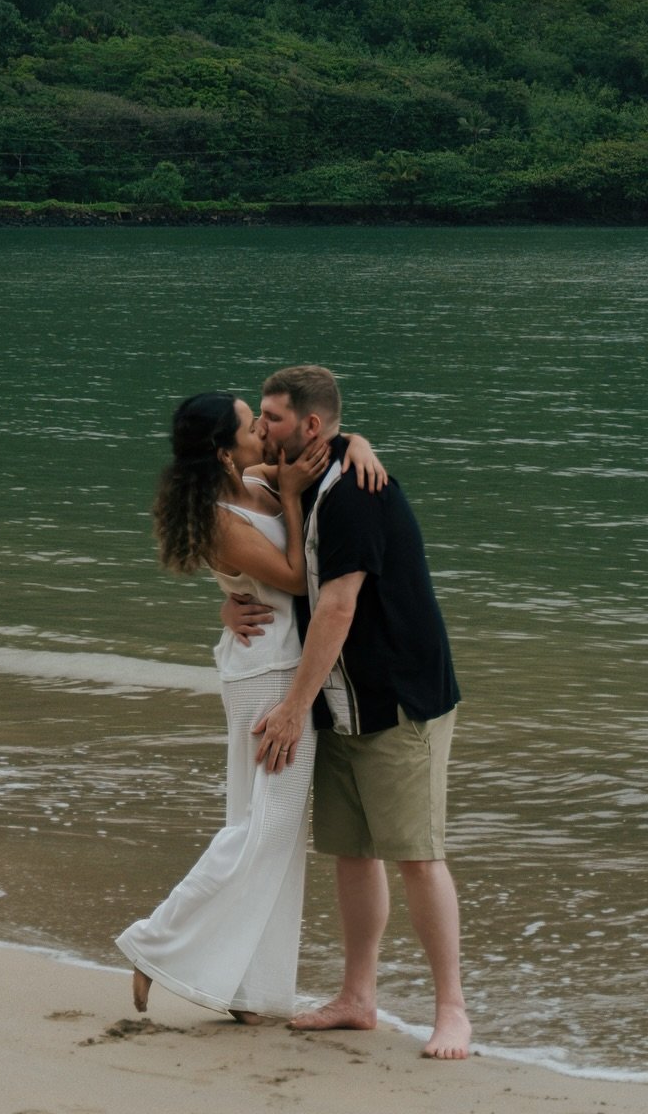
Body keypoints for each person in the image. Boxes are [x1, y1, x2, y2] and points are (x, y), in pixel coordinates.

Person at [115, 391, 385, 1022]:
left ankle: (249, 991)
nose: (262, 430)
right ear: (223, 450)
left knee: (271, 832)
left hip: (272, 664)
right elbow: (296, 577)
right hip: (270, 677)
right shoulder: (220, 513)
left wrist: (361, 446)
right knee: (266, 829)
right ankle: (155, 943)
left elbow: (336, 446)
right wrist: (291, 499)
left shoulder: (257, 476)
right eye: (250, 424)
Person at [228, 364, 470, 1060]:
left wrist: (289, 710)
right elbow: (245, 548)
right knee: (351, 851)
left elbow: (337, 606)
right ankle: (358, 997)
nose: (261, 430)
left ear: (308, 426)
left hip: (396, 697)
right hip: (337, 699)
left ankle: (452, 1008)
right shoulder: (294, 478)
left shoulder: (358, 491)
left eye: (271, 418)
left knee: (418, 855)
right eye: (258, 419)